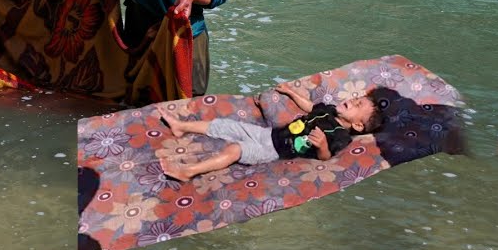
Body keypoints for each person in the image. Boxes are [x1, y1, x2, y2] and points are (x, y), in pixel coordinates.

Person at [159, 84, 386, 181]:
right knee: (225, 125)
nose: (351, 101)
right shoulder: (328, 109)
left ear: (357, 126)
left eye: (357, 106)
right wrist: (291, 92)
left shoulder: (341, 137)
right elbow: (309, 107)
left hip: (275, 150)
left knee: (235, 149)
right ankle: (181, 127)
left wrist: (322, 146)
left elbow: (327, 158)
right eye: (354, 99)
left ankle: (189, 171)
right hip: (269, 134)